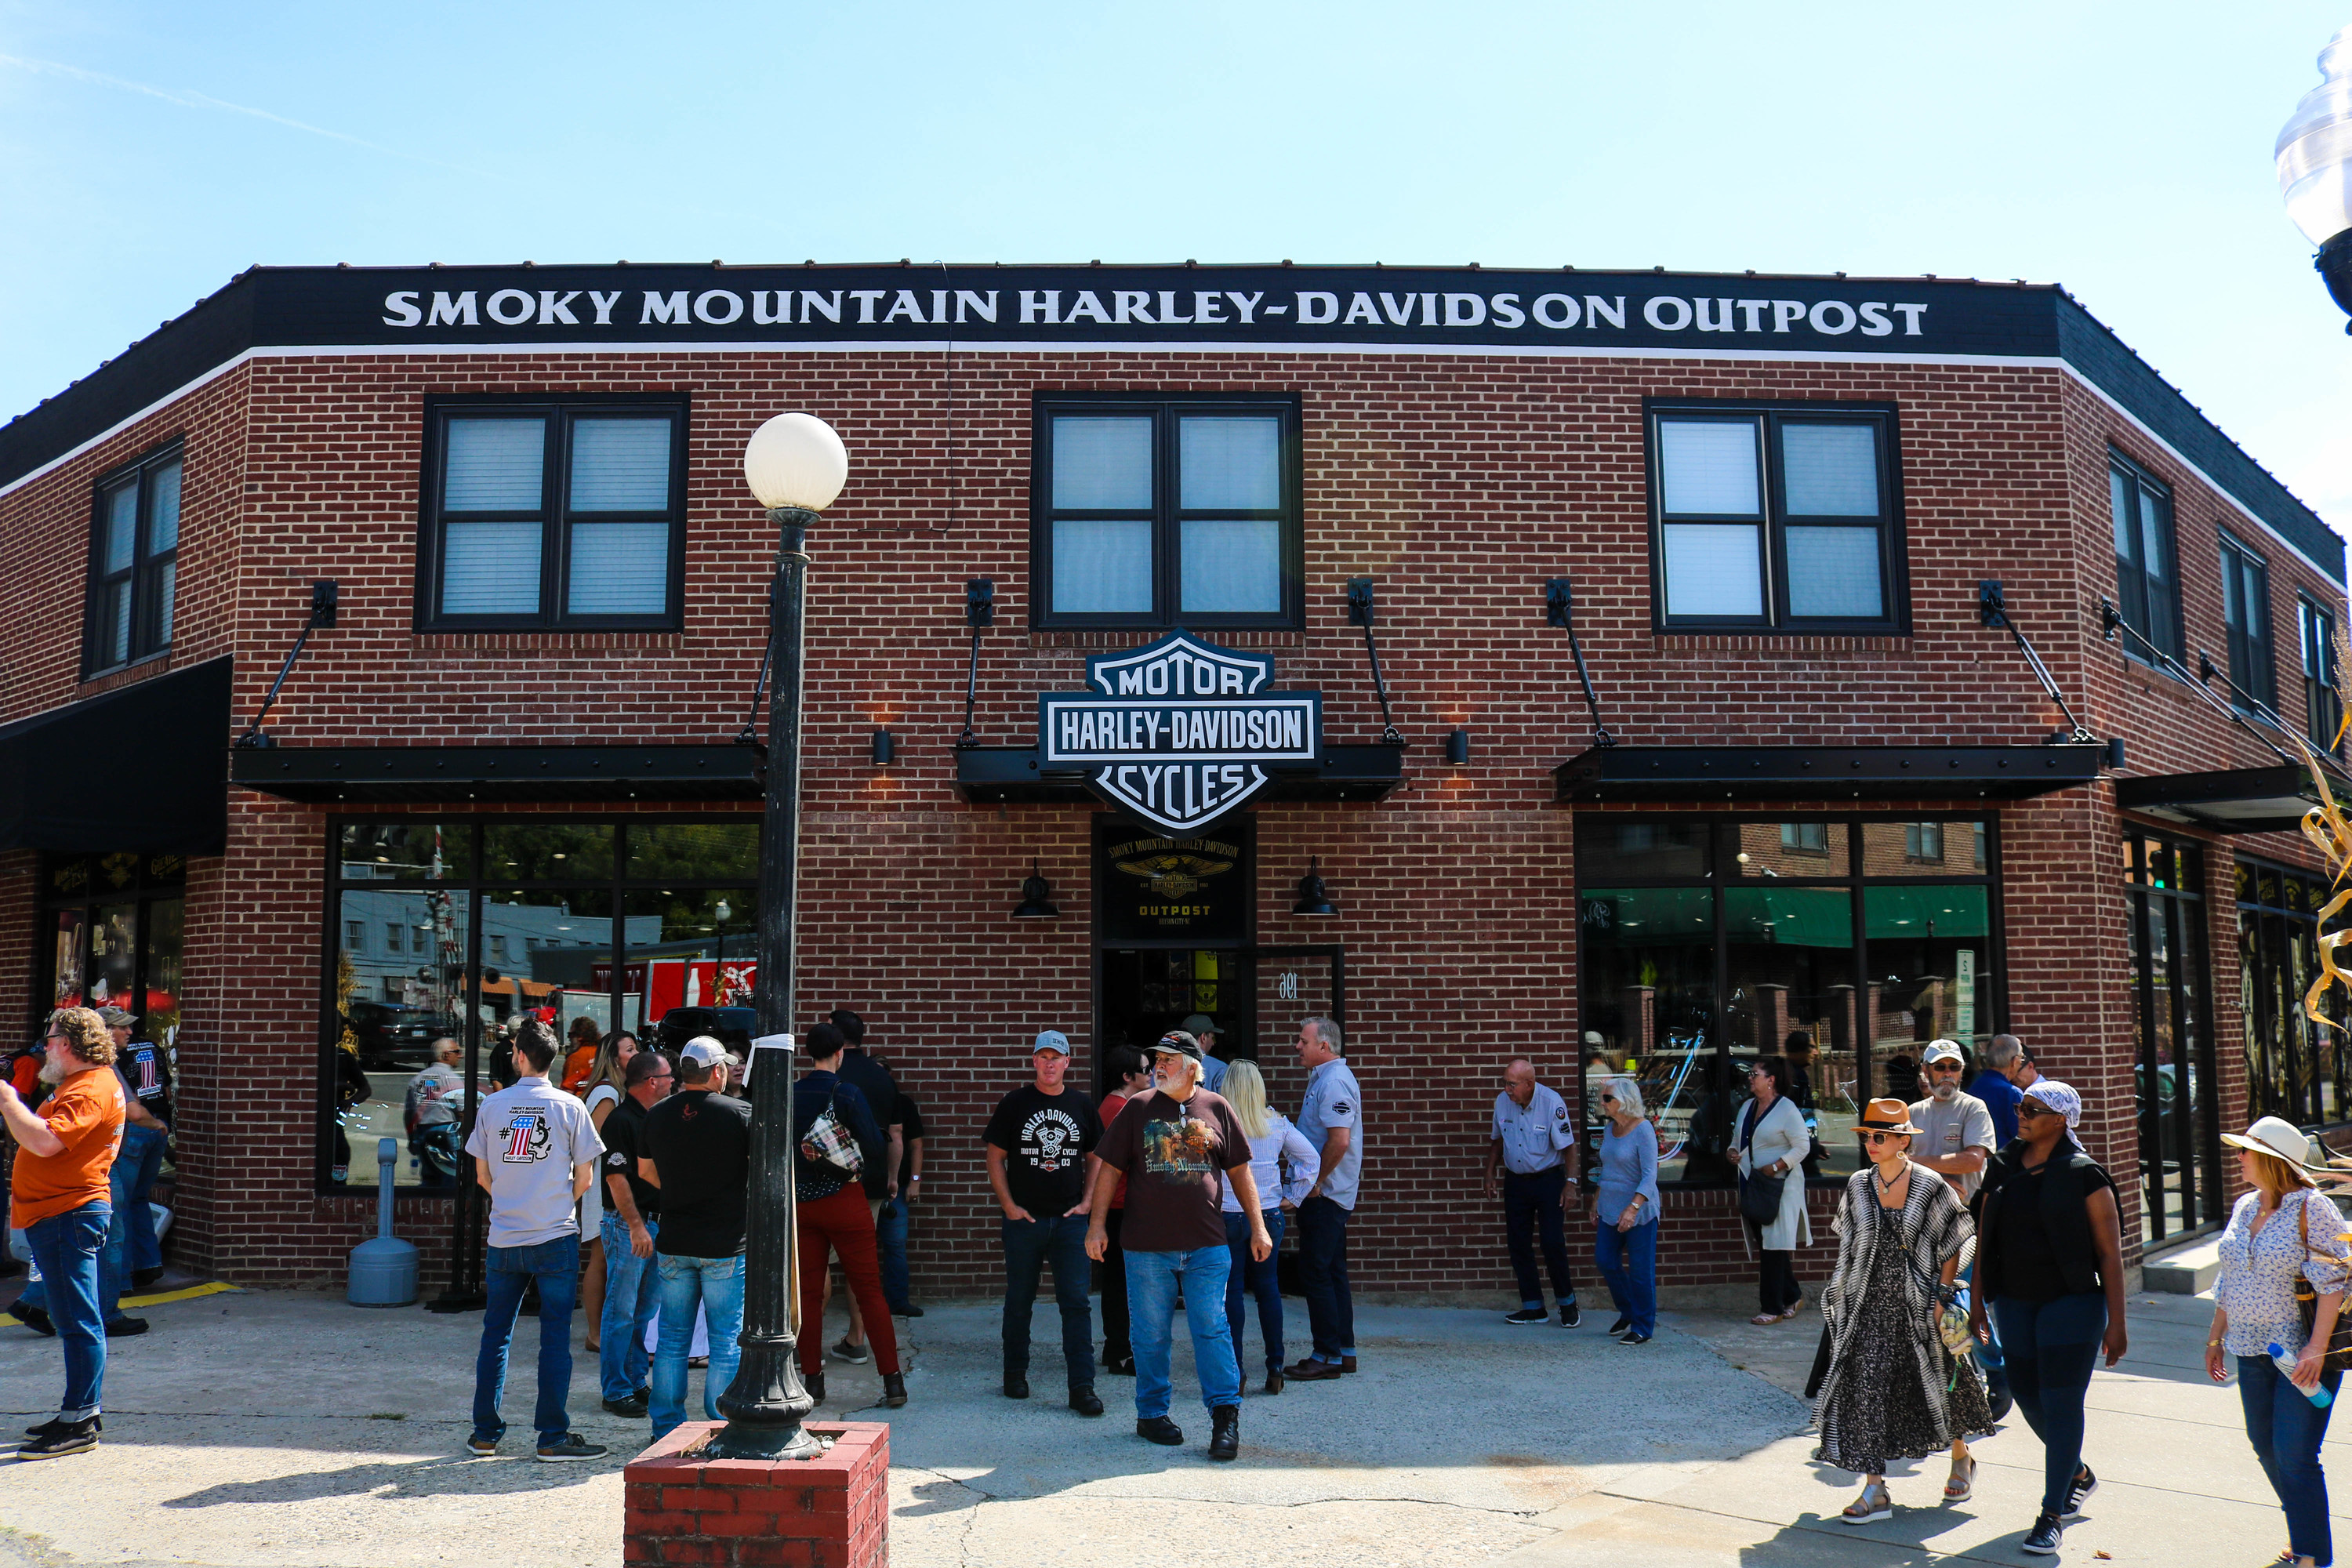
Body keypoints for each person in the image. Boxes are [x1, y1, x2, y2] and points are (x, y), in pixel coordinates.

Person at [1084, 1030, 1269, 1461]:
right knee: (1149, 1336)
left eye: (1168, 1059)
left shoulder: (1217, 1107)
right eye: (1157, 1059)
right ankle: (1151, 1414)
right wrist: (1096, 1226)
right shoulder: (1136, 1109)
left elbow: (1241, 1173)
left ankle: (1225, 1418)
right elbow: (1108, 1170)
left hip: (1207, 1244)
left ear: (1192, 1065)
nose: (1159, 1065)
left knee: (1211, 1328)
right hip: (1146, 1247)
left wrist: (1258, 1227)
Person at [1813, 1098, 1994, 1526]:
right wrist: (1841, 1295)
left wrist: (1941, 1295)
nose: (1872, 1144)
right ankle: (1875, 1488)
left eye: (1881, 1137)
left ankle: (1961, 1456)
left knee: (1939, 1386)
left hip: (1920, 1306)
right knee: (1868, 1391)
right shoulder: (1858, 1184)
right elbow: (1848, 1245)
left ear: (1902, 1142)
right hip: (1868, 1306)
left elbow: (1955, 1237)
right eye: (1868, 1137)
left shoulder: (1930, 1184)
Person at [1973, 1080, 2128, 1556]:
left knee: (2061, 1405)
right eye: (2021, 1106)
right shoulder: (2000, 1166)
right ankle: (2077, 1472)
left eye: (2033, 1109)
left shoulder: (2085, 1175)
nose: (2022, 1114)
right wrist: (1977, 1301)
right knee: (2026, 1396)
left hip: (2073, 1304)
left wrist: (2117, 1323)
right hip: (2015, 1301)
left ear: (2061, 1120)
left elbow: (2110, 1253)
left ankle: (2051, 1513)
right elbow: (1982, 1239)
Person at [2209, 1115, 2351, 1568]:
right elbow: (2229, 1277)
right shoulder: (2246, 1206)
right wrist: (2215, 1337)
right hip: (2251, 1349)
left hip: (2302, 1356)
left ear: (2272, 1159)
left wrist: (2315, 1349)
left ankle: (2311, 1556)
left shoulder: (2313, 1208)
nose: (2238, 1158)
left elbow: (2335, 1283)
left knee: (2295, 1453)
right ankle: (2305, 1535)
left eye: (2246, 1151)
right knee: (2265, 1444)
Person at [461, 1019, 605, 1462]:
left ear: (519, 1056)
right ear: (553, 1059)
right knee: (555, 1339)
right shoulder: (570, 1106)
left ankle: (485, 1433)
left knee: (496, 1336)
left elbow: (482, 1174)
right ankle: (551, 1437)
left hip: (504, 1236)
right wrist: (556, 1198)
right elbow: (586, 1176)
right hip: (555, 1235)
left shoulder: (492, 1106)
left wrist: (510, 1195)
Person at [0, 1008, 125, 1458]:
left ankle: (81, 1422)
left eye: (49, 1038)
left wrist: (8, 1099)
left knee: (78, 1320)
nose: (45, 1046)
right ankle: (77, 1414)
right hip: (58, 1215)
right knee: (74, 1318)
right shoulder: (80, 1085)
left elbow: (46, 1142)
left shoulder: (90, 1088)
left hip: (68, 1215)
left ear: (69, 1043)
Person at [984, 1029, 1103, 1414]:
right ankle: (1015, 1375)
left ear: (1068, 1062)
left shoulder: (1082, 1105)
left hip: (1070, 1221)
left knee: (1076, 1304)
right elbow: (995, 1157)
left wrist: (1087, 1202)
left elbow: (1096, 1157)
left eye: (1057, 1057)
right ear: (1034, 1061)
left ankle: (1082, 1387)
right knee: (1020, 1300)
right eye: (1043, 1057)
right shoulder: (1015, 1103)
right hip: (1025, 1221)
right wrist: (1009, 1206)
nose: (1050, 1063)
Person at [640, 1037, 752, 1439]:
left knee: (672, 1337)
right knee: (725, 1338)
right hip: (725, 1243)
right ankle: (720, 1424)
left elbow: (645, 1171)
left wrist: (678, 1188)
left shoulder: (657, 1114)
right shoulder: (741, 1113)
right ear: (718, 1071)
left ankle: (665, 1425)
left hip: (675, 1237)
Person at [792, 1024, 907, 1409]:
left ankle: (813, 1380)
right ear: (840, 1053)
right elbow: (876, 1147)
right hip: (845, 1198)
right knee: (868, 1289)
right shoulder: (846, 1092)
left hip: (803, 1203)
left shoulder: (790, 1093)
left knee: (809, 1292)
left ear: (808, 1053)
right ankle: (892, 1380)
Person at [1912, 1038, 2008, 1417]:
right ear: (1926, 1071)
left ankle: (1998, 1373)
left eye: (1953, 1067)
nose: (1947, 1074)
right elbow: (1893, 1161)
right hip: (1919, 1224)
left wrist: (1921, 1165)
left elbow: (1972, 1161)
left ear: (1961, 1072)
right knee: (1925, 1307)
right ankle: (1942, 1385)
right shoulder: (1913, 1113)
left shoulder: (1974, 1107)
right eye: (1940, 1067)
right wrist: (1936, 1173)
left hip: (1963, 1224)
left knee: (1965, 1304)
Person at [1219, 1060, 1315, 1392]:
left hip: (1227, 1215)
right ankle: (1275, 1367)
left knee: (1230, 1292)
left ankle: (1236, 1372)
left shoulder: (1217, 1123)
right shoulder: (1276, 1123)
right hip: (1268, 1214)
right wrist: (1294, 1194)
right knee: (1268, 1289)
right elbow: (1310, 1159)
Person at [595, 1048, 672, 1419]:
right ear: (651, 1082)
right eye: (669, 1076)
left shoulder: (657, 1117)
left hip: (656, 1223)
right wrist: (636, 1226)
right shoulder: (621, 1120)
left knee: (643, 1311)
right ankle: (615, 1390)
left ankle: (635, 1380)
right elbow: (615, 1179)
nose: (674, 1081)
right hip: (629, 1225)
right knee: (621, 1310)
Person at [824, 1008, 902, 1368]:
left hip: (826, 1181)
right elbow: (894, 1135)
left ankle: (801, 1344)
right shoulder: (882, 1077)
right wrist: (893, 1177)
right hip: (870, 1181)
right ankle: (857, 1339)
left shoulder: (828, 1076)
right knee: (861, 1264)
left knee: (817, 1263)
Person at [1287, 1016, 1363, 1381]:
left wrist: (1314, 1183)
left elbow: (1340, 1140)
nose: (1297, 1047)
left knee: (1316, 1272)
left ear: (1324, 1047)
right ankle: (1343, 1351)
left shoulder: (1333, 1082)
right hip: (1326, 1193)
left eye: (1303, 1041)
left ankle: (1327, 1355)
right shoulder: (1325, 1078)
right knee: (1332, 1272)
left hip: (1326, 1195)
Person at [1483, 1056, 1581, 1327]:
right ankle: (1533, 1307)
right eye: (1505, 1083)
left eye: (1512, 1084)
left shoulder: (1551, 1103)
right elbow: (1498, 1139)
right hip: (1516, 1181)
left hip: (1548, 1180)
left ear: (1530, 1083)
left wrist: (1570, 1183)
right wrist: (1490, 1172)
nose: (1507, 1089)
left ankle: (1567, 1303)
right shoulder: (1503, 1102)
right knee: (1518, 1244)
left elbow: (1569, 1146)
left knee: (1551, 1242)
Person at [1732, 1057, 1811, 1326]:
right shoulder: (1747, 1107)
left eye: (1755, 1074)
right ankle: (1793, 1295)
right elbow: (1737, 1140)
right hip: (1754, 1185)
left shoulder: (1787, 1109)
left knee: (1773, 1247)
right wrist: (1733, 1153)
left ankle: (1772, 1307)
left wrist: (1778, 1165)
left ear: (1771, 1080)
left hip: (1781, 1185)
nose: (1750, 1078)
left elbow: (1803, 1146)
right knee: (1768, 1244)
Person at [578, 1031, 639, 1353]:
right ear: (614, 1058)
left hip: (607, 1184)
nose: (636, 1053)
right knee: (600, 1258)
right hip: (601, 1185)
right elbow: (596, 1144)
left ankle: (601, 1331)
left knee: (606, 1259)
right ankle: (594, 1333)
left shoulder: (617, 1091)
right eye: (630, 1049)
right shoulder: (606, 1092)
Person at [101, 1007, 170, 1287]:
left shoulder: (109, 1057)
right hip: (158, 1127)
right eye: (123, 1027)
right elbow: (165, 1089)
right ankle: (148, 1263)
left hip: (135, 1128)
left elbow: (128, 1106)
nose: (129, 1031)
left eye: (129, 1027)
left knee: (121, 1205)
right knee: (139, 1199)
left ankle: (121, 1278)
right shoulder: (152, 1046)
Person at [1096, 1046, 1152, 1376]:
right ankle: (1120, 1351)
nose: (1151, 1075)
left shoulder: (1118, 1105)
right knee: (1123, 1283)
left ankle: (1114, 1348)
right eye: (1145, 1070)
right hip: (1120, 1206)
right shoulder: (1119, 1109)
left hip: (1120, 1205)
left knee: (1119, 1281)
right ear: (1127, 1077)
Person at [1592, 1074, 1661, 1345]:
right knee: (1605, 1260)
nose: (1603, 1102)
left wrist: (1633, 1208)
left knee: (1641, 1271)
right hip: (1609, 1208)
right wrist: (1596, 1198)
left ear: (1625, 1101)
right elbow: (1607, 1167)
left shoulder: (1643, 1130)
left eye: (1608, 1098)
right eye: (1603, 1098)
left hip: (1639, 1212)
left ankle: (1643, 1326)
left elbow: (1649, 1175)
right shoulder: (1610, 1129)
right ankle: (1628, 1310)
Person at [880, 1088, 926, 1320]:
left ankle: (898, 1301)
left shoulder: (902, 1103)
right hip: (864, 1185)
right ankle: (862, 1305)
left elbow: (916, 1144)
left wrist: (915, 1180)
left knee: (896, 1245)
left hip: (895, 1189)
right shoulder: (859, 1099)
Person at [404, 1038, 466, 1190]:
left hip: (422, 1131)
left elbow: (409, 1113)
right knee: (450, 1177)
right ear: (445, 1055)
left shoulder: (417, 1079)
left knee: (428, 1177)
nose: (460, 1056)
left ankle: (426, 1208)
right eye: (456, 1052)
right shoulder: (451, 1079)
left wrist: (412, 1137)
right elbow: (463, 1111)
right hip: (445, 1131)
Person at [1783, 1031, 1824, 1178]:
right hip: (1798, 1151)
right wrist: (1811, 1146)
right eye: (1811, 1047)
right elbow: (1803, 1113)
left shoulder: (1792, 1073)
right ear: (1798, 1050)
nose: (1816, 1052)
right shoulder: (1795, 1076)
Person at [1983, 1034, 2037, 1142]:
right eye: (2022, 1058)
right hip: (2004, 1156)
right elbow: (2023, 1136)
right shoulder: (2011, 1093)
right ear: (2014, 1061)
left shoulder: (1976, 1085)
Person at [1181, 1014, 1229, 1093]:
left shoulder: (1161, 1067)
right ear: (1203, 1037)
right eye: (1212, 1038)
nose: (1213, 1043)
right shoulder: (1220, 1069)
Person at [560, 1015, 601, 1094]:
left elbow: (568, 1091)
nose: (569, 1038)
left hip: (580, 1101)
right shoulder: (601, 1052)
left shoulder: (576, 1058)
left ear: (579, 1036)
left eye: (570, 1035)